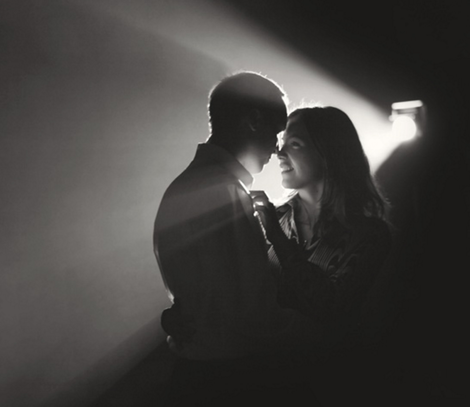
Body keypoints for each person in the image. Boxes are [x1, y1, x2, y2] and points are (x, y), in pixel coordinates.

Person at [164, 105, 393, 403]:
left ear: (329, 152)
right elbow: (237, 293)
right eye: (281, 141)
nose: (279, 152)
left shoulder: (369, 234)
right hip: (263, 385)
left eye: (294, 144)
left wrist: (277, 239)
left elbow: (332, 311)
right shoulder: (273, 217)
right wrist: (184, 314)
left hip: (328, 386)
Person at [153, 71, 303, 406]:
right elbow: (250, 306)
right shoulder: (223, 192)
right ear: (253, 121)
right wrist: (310, 328)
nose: (276, 148)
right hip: (228, 378)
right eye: (276, 132)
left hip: (202, 369)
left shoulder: (187, 185)